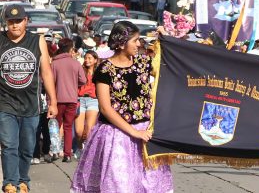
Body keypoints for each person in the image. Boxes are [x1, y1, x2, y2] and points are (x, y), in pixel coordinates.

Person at [70, 21, 173, 192]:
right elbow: (105, 108)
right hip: (116, 135)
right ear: (122, 43)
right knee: (119, 185)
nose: (139, 44)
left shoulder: (143, 63)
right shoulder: (105, 69)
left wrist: (165, 36)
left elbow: (171, 60)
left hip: (145, 134)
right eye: (135, 40)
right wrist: (134, 132)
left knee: (149, 185)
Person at [0, 4, 58, 193]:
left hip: (31, 105)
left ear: (26, 21)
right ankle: (10, 182)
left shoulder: (37, 40)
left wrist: (53, 101)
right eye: (11, 21)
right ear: (5, 23)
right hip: (5, 103)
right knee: (9, 145)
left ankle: (23, 180)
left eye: (18, 21)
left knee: (26, 147)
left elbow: (46, 73)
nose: (14, 25)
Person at [50, 38, 85, 163]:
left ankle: (54, 151)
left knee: (55, 126)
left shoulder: (54, 63)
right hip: (72, 99)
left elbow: (49, 81)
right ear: (71, 49)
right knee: (68, 127)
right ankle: (67, 154)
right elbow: (83, 80)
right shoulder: (75, 63)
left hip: (57, 100)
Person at [75, 50, 100, 146]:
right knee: (78, 131)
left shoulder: (99, 72)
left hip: (93, 100)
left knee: (89, 130)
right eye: (85, 58)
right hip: (80, 100)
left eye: (89, 58)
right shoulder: (80, 70)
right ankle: (80, 146)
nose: (86, 60)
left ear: (95, 60)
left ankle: (86, 150)